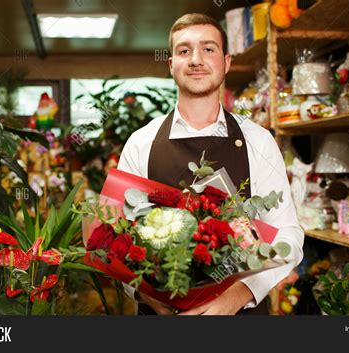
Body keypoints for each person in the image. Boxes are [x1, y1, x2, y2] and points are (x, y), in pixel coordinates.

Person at [118, 13, 304, 315]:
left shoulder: (258, 140)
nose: (196, 60)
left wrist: (238, 295)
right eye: (183, 50)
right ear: (171, 65)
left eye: (208, 49)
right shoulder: (141, 143)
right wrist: (151, 297)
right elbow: (119, 241)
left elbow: (288, 234)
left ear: (226, 62)